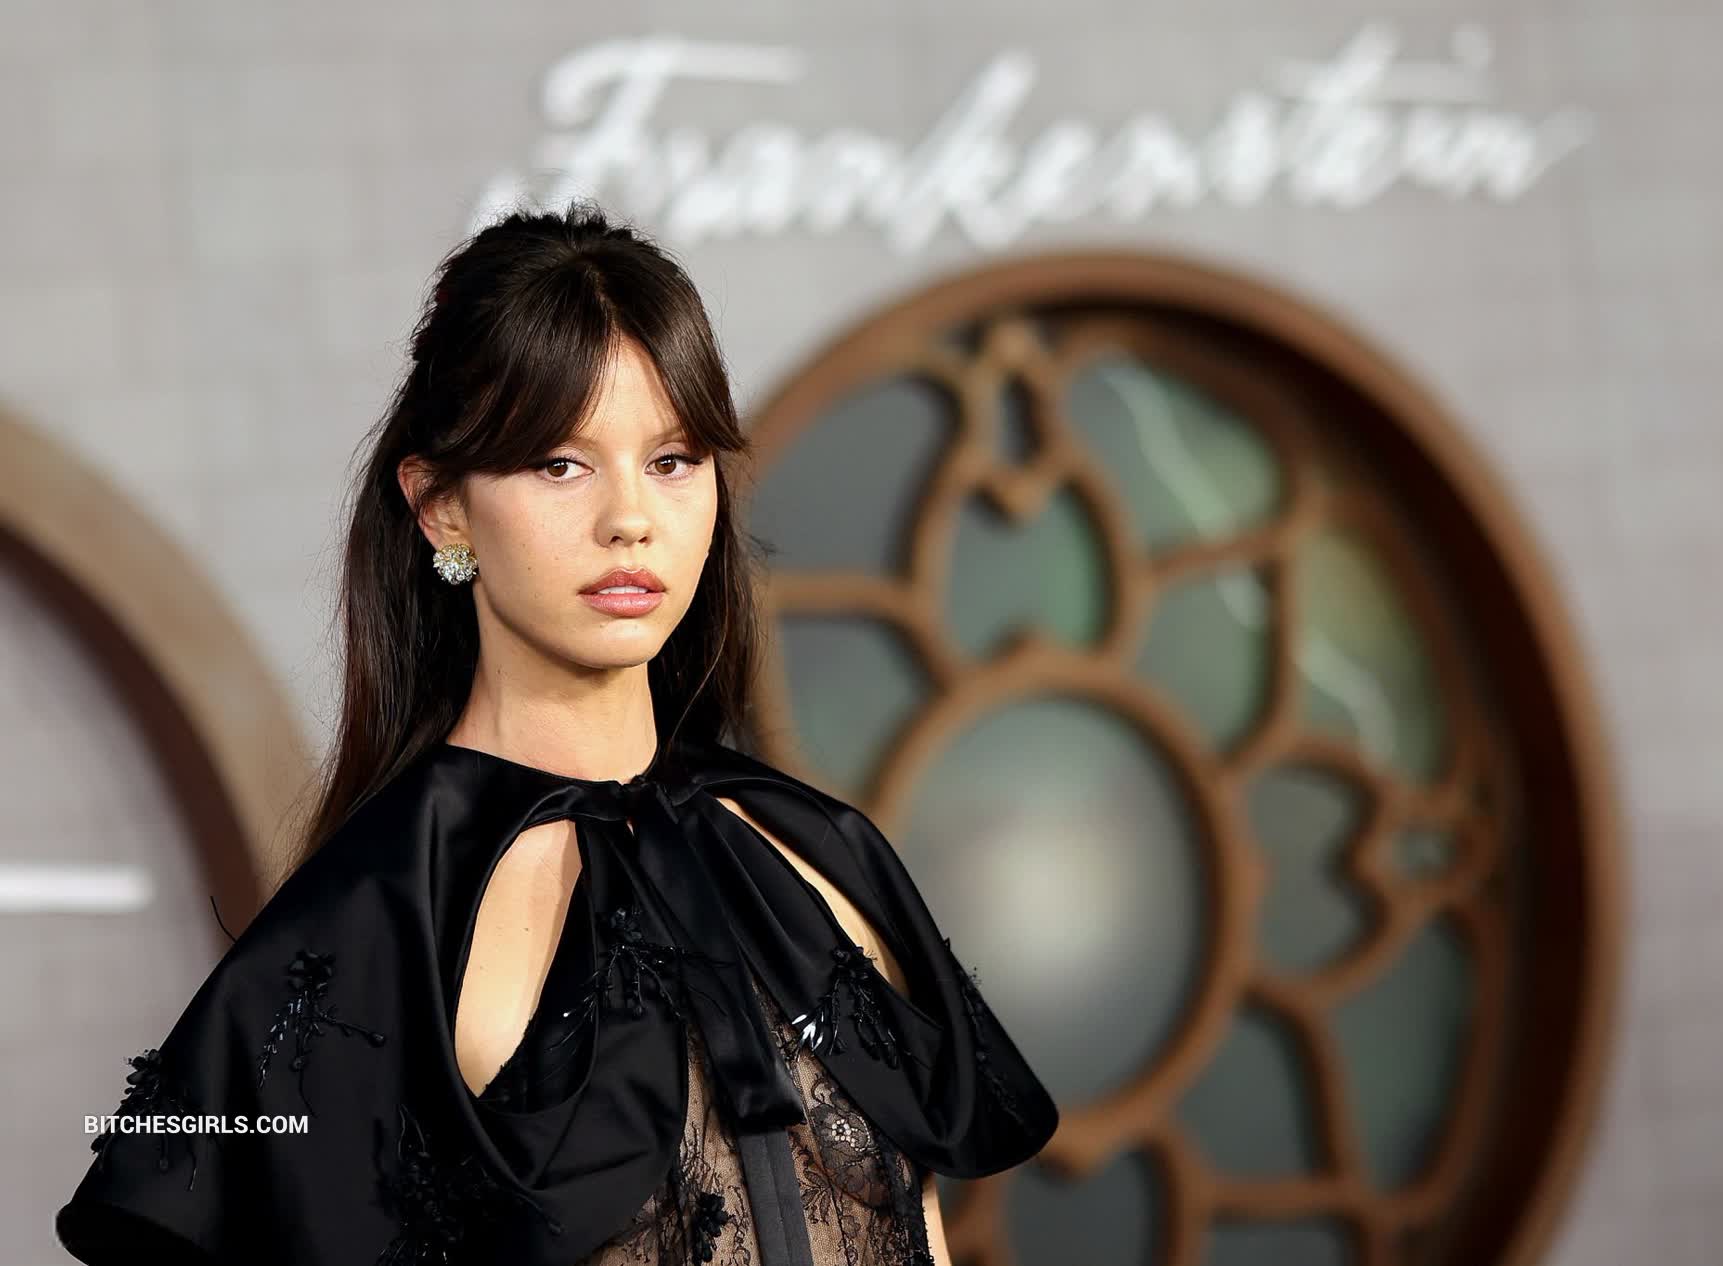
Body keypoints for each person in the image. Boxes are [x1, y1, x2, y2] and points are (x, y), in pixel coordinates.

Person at [53, 201, 1058, 1266]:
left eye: (672, 460)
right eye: (559, 464)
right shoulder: (378, 924)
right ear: (441, 507)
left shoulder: (819, 852)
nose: (630, 519)